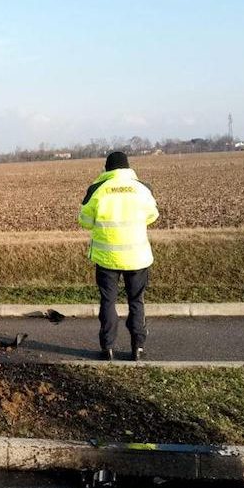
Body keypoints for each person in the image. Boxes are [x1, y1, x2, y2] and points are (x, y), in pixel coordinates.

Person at [79, 151, 159, 361]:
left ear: (107, 169)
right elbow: (153, 215)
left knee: (108, 301)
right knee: (136, 300)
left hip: (107, 258)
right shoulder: (142, 188)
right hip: (137, 257)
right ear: (127, 167)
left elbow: (84, 220)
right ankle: (138, 347)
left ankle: (108, 347)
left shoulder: (97, 189)